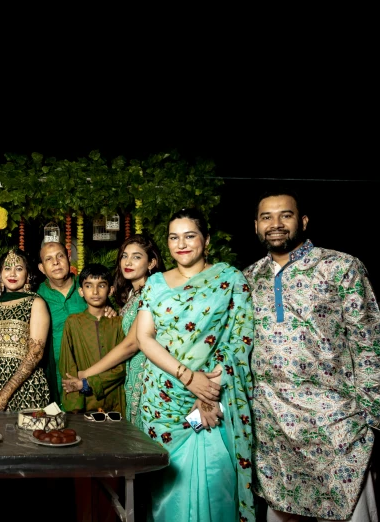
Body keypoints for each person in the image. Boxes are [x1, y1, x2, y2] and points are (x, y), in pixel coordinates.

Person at [244, 190, 380, 522]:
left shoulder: (341, 267)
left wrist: (369, 417)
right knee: (283, 512)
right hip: (273, 425)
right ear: (256, 226)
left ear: (303, 221)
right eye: (267, 217)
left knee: (349, 513)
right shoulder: (248, 279)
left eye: (286, 215)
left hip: (337, 423)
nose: (276, 224)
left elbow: (371, 343)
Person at [133, 207, 255, 522]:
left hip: (212, 400)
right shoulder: (155, 283)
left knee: (216, 481)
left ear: (206, 239)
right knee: (166, 492)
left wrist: (207, 394)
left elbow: (240, 340)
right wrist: (188, 378)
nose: (181, 244)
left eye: (190, 236)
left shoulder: (229, 279)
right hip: (163, 404)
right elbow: (145, 337)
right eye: (174, 237)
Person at [62, 234, 166, 425]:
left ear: (151, 263)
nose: (128, 262)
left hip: (147, 373)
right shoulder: (132, 296)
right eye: (124, 256)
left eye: (136, 257)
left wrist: (86, 375)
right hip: (132, 375)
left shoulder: (152, 290)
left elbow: (131, 345)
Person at [37, 241, 117, 406]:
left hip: (94, 371)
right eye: (48, 259)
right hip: (54, 374)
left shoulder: (87, 287)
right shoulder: (36, 296)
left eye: (60, 256)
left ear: (69, 258)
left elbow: (111, 323)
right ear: (42, 268)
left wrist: (110, 310)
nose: (56, 262)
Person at [0, 248, 52, 412]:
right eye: (7, 268)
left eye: (19, 269)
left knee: (25, 436)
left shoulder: (35, 303)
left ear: (28, 274)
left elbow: (36, 352)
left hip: (26, 388)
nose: (12, 274)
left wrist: (5, 394)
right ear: (1, 274)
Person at [58, 263, 127, 414]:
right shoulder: (73, 322)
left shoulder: (118, 323)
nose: (95, 291)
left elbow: (122, 368)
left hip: (115, 400)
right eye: (89, 286)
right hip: (84, 403)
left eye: (101, 286)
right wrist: (74, 405)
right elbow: (67, 365)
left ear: (110, 290)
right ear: (81, 291)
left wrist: (87, 383)